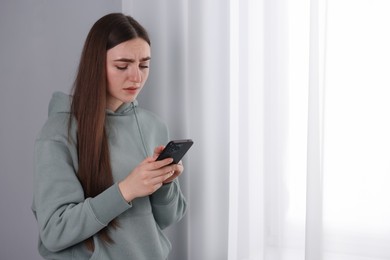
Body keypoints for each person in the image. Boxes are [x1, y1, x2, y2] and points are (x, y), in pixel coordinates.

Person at [32, 13, 187, 259]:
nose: (136, 77)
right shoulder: (58, 133)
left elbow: (168, 218)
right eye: (122, 66)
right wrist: (126, 190)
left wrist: (163, 183)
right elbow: (55, 231)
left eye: (144, 65)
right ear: (96, 64)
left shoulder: (153, 125)